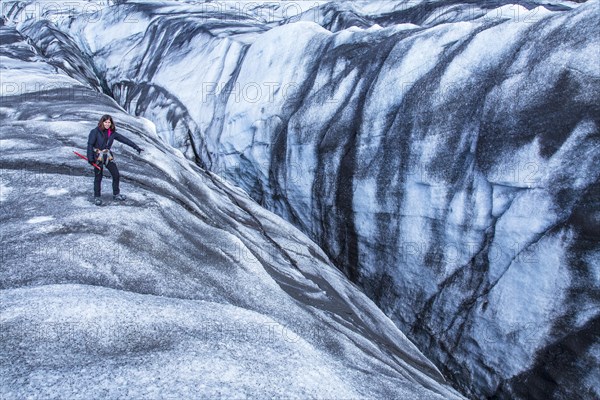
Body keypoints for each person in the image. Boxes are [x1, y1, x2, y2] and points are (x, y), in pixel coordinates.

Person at [87, 114, 143, 205]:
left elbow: (124, 139)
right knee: (98, 177)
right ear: (102, 122)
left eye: (109, 122)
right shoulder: (95, 132)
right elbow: (90, 145)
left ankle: (116, 194)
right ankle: (97, 197)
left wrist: (136, 147)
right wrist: (90, 158)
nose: (107, 124)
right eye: (106, 122)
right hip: (98, 157)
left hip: (108, 156)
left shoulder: (112, 133)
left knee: (116, 175)